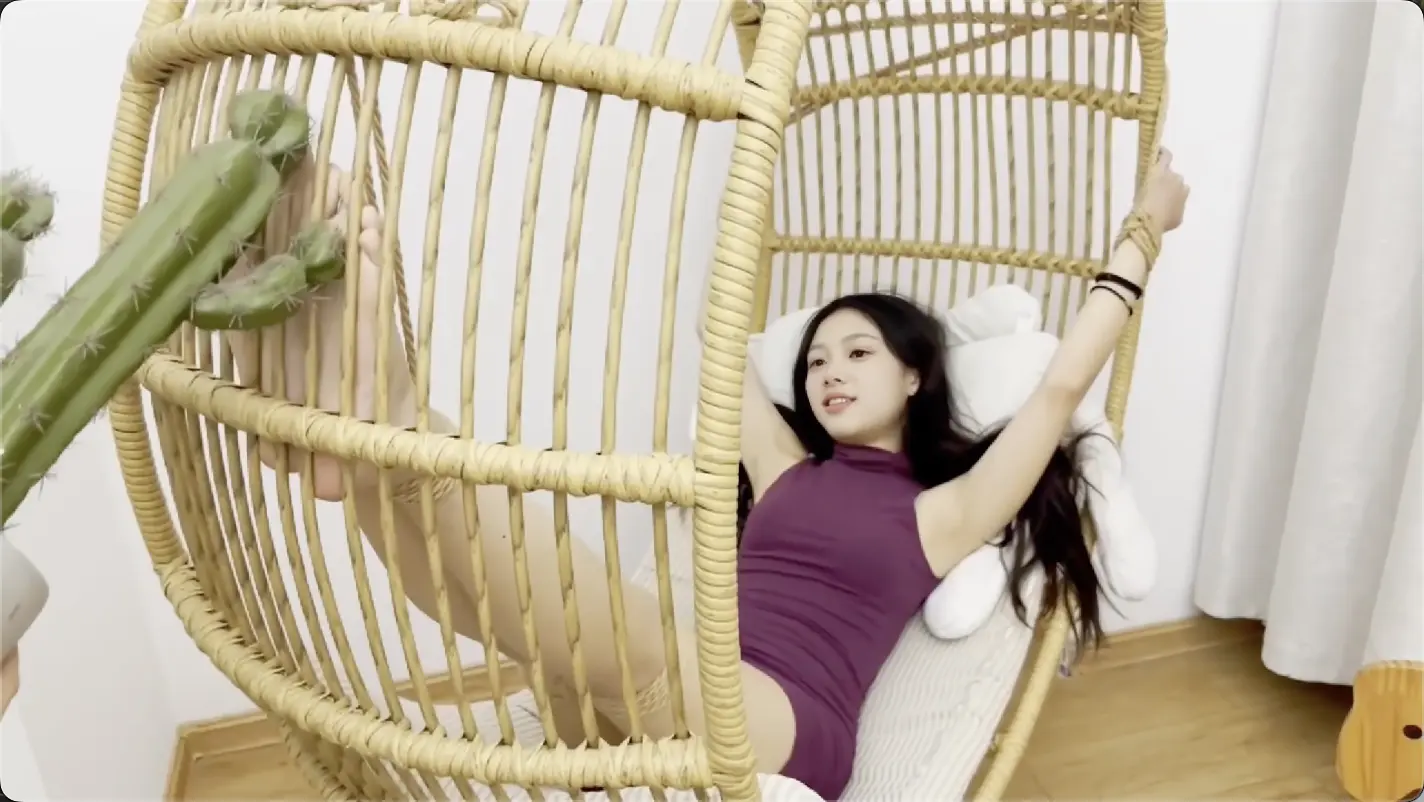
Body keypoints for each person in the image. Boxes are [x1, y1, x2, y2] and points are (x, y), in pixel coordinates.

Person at [228, 150, 1189, 799]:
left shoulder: (945, 511)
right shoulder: (783, 466)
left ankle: (389, 410)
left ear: (915, 374)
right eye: (816, 361)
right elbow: (718, 339)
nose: (829, 373)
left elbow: (1060, 387)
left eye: (858, 354)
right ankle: (367, 449)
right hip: (680, 692)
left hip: (781, 727)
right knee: (515, 627)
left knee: (619, 626)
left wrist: (1145, 230)